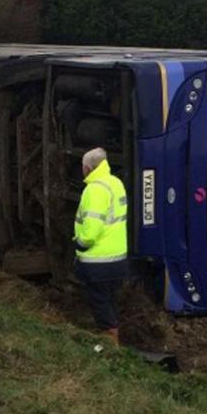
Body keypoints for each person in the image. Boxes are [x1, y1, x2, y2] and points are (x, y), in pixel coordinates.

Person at [73, 147, 128, 344]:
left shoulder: (94, 189)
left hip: (98, 262)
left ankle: (111, 343)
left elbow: (92, 231)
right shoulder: (116, 183)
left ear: (87, 168)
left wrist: (79, 244)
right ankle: (113, 335)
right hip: (118, 259)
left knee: (100, 302)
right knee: (109, 299)